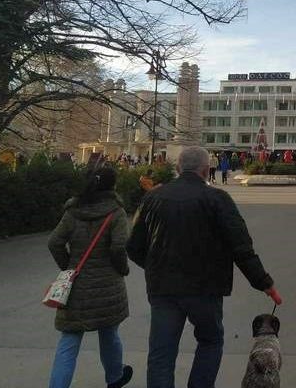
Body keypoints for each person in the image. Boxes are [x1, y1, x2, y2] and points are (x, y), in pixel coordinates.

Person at [127, 147, 282, 388]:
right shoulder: (218, 199)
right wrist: (265, 283)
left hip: (164, 289)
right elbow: (241, 248)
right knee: (210, 341)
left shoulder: (153, 198)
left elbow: (133, 246)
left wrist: (155, 266)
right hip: (205, 288)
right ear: (207, 170)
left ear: (177, 168)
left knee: (161, 352)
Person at [47, 165, 133, 388]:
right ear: (112, 185)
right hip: (107, 284)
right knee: (109, 332)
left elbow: (54, 242)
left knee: (70, 338)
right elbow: (118, 247)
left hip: (76, 285)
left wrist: (68, 266)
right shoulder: (115, 212)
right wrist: (122, 269)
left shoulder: (73, 211)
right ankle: (115, 377)